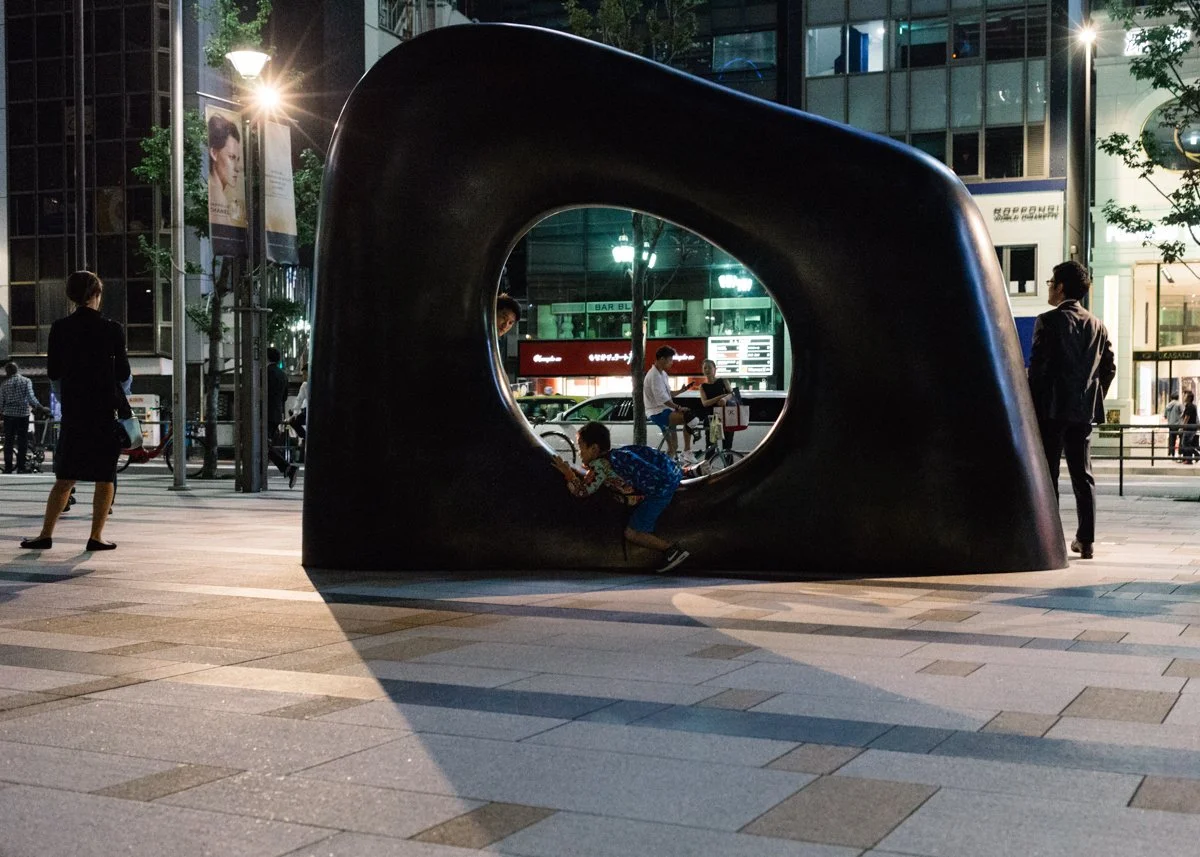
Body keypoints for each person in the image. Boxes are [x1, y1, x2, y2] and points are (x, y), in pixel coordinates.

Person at [21, 271, 130, 551]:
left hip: (74, 412)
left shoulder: (60, 328)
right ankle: (96, 536)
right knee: (105, 477)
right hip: (104, 412)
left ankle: (45, 534)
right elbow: (123, 373)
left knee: (65, 477)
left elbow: (54, 372)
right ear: (96, 294)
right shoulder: (112, 329)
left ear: (71, 295)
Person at [1028, 261, 1116, 560]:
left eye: (1051, 282)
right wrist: (1092, 397)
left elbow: (1038, 369)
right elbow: (1109, 369)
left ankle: (1050, 540)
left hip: (1052, 410)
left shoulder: (1048, 321)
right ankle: (1085, 540)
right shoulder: (1097, 325)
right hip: (1082, 412)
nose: (1049, 287)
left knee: (1049, 473)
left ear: (1061, 287)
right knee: (1083, 474)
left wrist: (1032, 405)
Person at [550, 421, 690, 572]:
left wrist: (569, 474)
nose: (579, 453)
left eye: (581, 447)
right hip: (665, 482)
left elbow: (583, 491)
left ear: (594, 448)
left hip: (659, 493)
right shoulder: (616, 455)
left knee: (633, 532)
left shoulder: (600, 466)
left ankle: (671, 550)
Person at [644, 345, 696, 463]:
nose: (672, 363)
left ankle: (665, 469)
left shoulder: (663, 374)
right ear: (662, 359)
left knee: (673, 447)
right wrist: (678, 407)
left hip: (665, 410)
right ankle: (687, 452)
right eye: (670, 360)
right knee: (690, 418)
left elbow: (667, 394)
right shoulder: (654, 375)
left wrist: (681, 391)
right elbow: (662, 398)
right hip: (658, 412)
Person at [1, 362, 44, 474]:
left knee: (8, 442)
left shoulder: (4, 384)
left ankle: (8, 468)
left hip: (8, 415)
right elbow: (31, 397)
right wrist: (41, 407)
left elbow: (1, 402)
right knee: (22, 441)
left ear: (7, 372)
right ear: (17, 370)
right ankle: (21, 467)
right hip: (22, 415)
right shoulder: (26, 381)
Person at [266, 346, 300, 489]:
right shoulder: (283, 375)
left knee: (261, 445)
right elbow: (284, 397)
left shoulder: (264, 373)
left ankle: (288, 468)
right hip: (276, 414)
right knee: (264, 445)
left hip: (264, 414)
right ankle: (284, 469)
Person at [207, 113, 245, 227]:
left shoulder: (214, 194)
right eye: (231, 157)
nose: (237, 168)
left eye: (237, 159)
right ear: (214, 153)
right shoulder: (217, 198)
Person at [697, 359, 735, 460]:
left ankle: (729, 468)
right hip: (713, 419)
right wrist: (719, 397)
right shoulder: (702, 386)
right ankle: (707, 468)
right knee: (711, 447)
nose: (707, 370)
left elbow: (732, 394)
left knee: (727, 448)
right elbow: (705, 403)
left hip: (727, 417)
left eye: (709, 367)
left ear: (715, 369)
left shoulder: (723, 381)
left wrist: (724, 399)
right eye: (705, 368)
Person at [1166, 392, 1184, 459]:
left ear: (1171, 398)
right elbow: (1183, 413)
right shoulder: (1179, 404)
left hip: (1170, 424)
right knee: (1181, 438)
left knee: (1172, 439)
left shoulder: (1167, 405)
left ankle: (1172, 454)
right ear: (1178, 397)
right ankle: (1180, 453)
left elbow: (1165, 415)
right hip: (1179, 424)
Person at [1182, 391, 1198, 465]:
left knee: (1185, 443)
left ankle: (1191, 458)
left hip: (1189, 428)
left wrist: (1183, 426)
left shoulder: (1190, 406)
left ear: (1189, 398)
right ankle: (1191, 458)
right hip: (1191, 427)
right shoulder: (1190, 406)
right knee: (1187, 443)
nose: (1184, 397)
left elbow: (1186, 418)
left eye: (1185, 396)